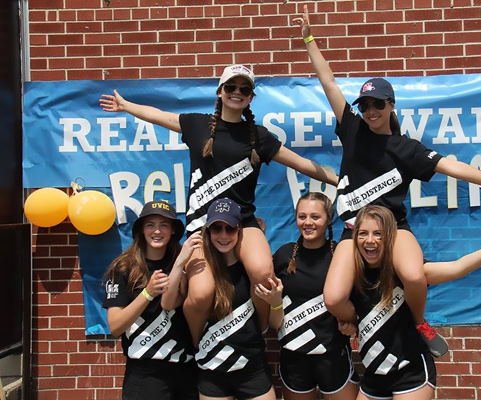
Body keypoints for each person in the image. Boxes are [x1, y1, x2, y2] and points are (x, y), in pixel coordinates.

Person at [293, 6, 481, 358]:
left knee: (412, 275)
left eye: (378, 103)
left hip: (394, 228)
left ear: (391, 105)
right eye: (365, 105)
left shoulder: (406, 148)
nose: (371, 110)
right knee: (333, 298)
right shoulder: (352, 129)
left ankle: (420, 322)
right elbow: (328, 82)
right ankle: (358, 325)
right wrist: (309, 40)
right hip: (354, 229)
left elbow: (452, 168)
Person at [99, 64, 338, 346]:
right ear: (220, 92)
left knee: (263, 272)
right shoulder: (198, 125)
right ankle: (198, 342)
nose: (237, 93)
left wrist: (341, 181)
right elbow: (161, 117)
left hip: (243, 224)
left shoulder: (259, 137)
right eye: (231, 87)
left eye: (244, 89)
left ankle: (260, 330)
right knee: (200, 293)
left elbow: (302, 164)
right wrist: (126, 106)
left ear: (250, 97)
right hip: (203, 226)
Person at [345, 205, 481, 400]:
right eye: (363, 233)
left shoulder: (406, 272)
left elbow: (458, 267)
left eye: (378, 234)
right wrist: (346, 322)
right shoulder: (349, 278)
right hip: (373, 375)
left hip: (410, 372)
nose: (370, 240)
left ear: (390, 238)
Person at [180, 197, 282, 400]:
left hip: (252, 369)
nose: (223, 235)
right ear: (208, 231)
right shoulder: (199, 272)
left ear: (240, 230)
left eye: (230, 229)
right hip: (212, 371)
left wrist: (276, 301)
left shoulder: (252, 271)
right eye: (217, 228)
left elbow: (274, 323)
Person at [102, 200, 198, 400]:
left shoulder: (183, 262)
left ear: (172, 230)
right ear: (141, 230)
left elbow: (175, 302)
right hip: (146, 370)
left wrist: (180, 266)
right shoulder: (123, 268)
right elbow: (115, 326)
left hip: (186, 368)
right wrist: (148, 293)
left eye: (164, 225)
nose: (157, 231)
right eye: (150, 225)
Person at [268, 192, 359, 400]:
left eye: (315, 217)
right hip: (294, 359)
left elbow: (358, 301)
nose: (308, 222)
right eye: (302, 216)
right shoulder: (283, 255)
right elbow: (272, 309)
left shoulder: (342, 256)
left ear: (328, 219)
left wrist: (352, 321)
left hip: (333, 357)